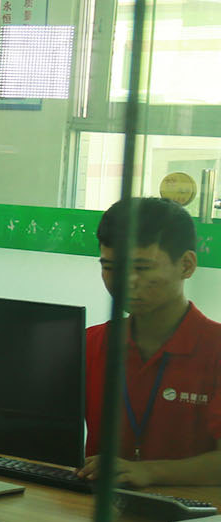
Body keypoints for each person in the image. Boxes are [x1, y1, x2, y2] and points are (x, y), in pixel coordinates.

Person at [76, 197, 221, 488]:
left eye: (141, 268)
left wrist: (150, 472)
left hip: (192, 513)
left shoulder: (215, 350)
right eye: (110, 267)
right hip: (92, 508)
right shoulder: (89, 344)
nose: (124, 281)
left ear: (186, 265)